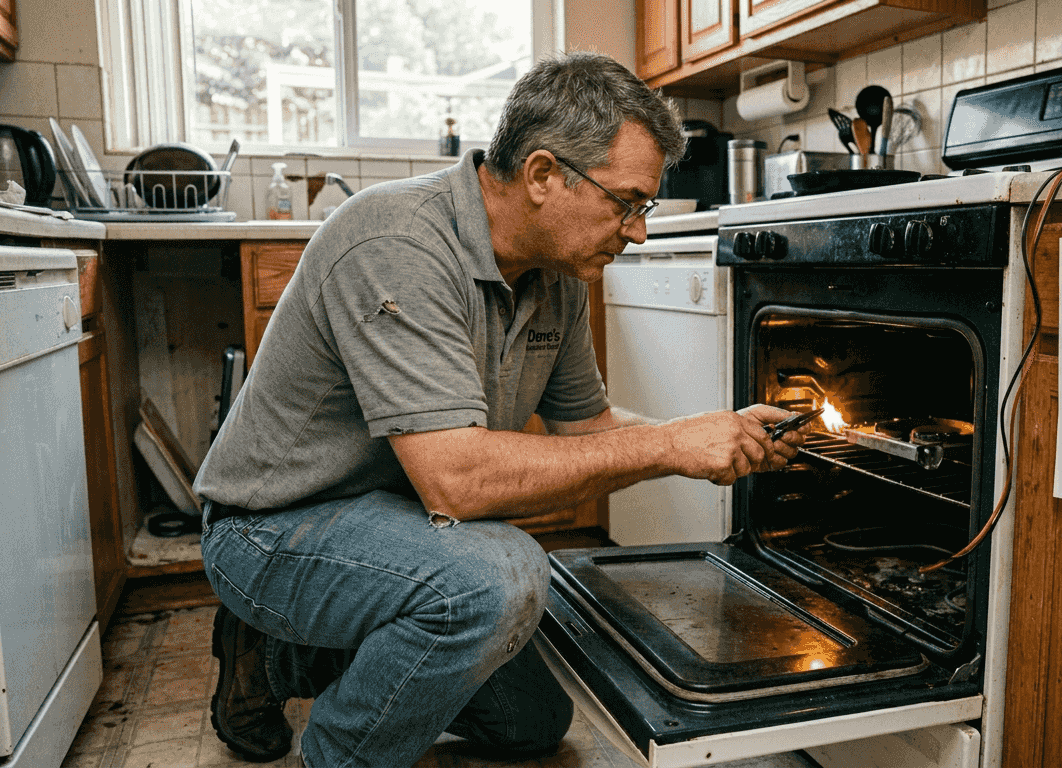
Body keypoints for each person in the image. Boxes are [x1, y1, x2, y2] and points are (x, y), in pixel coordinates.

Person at [193, 51, 805, 768]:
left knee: (533, 723)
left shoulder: (558, 274)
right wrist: (669, 446)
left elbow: (590, 431)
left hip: (404, 522)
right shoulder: (397, 243)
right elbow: (456, 481)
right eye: (628, 202)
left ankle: (284, 657)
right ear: (543, 175)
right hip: (274, 527)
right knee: (497, 579)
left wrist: (709, 435)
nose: (638, 230)